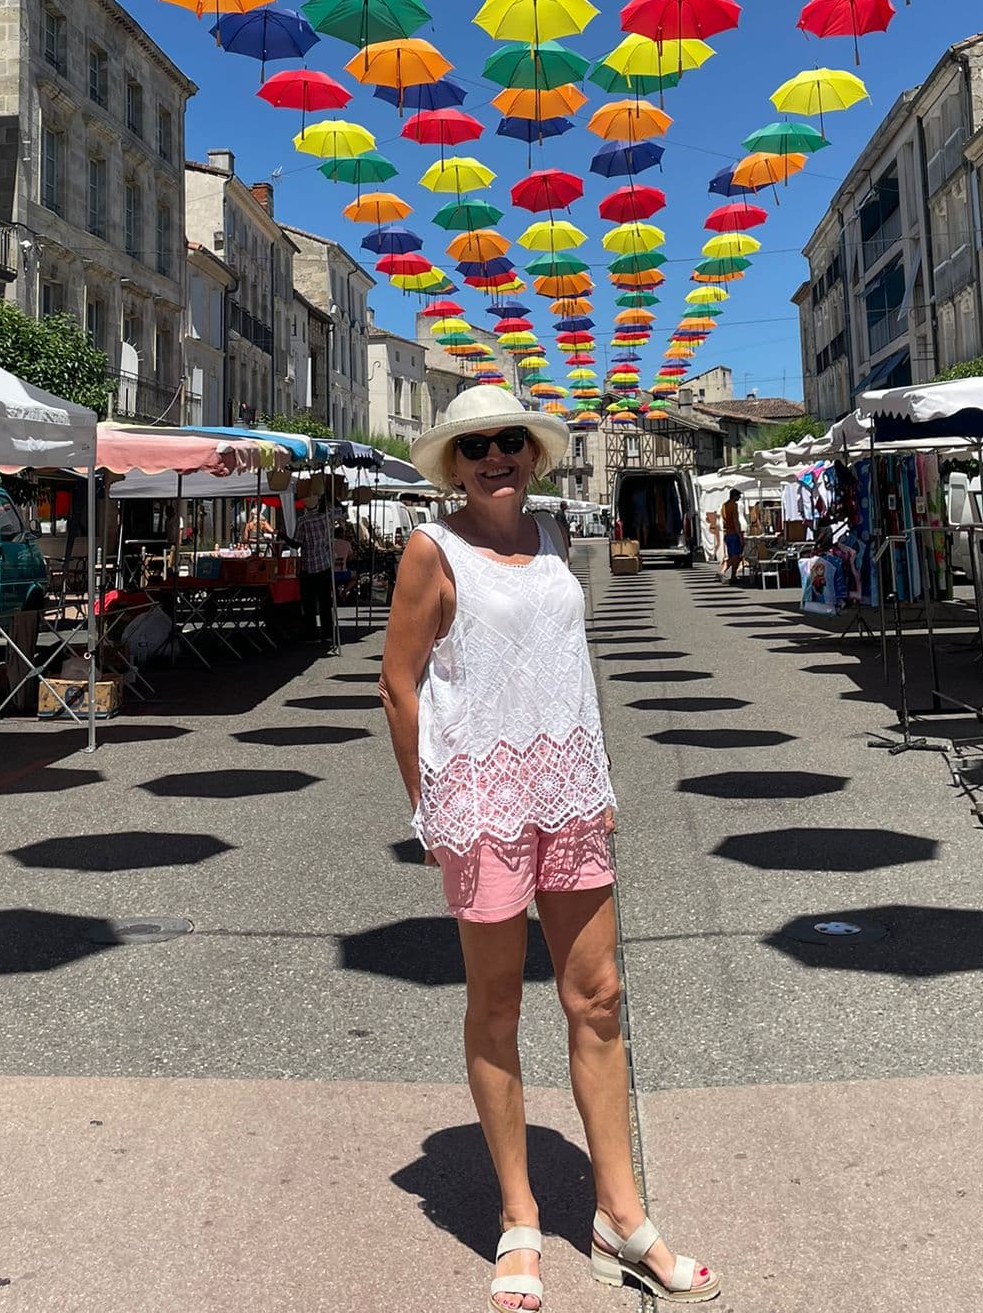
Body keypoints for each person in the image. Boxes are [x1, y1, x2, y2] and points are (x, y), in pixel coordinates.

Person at [379, 388, 720, 1311]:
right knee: (496, 1003)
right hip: (484, 805)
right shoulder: (431, 550)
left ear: (534, 456)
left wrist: (598, 775)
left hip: (569, 793)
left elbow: (568, 668)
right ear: (455, 463)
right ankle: (521, 1216)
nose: (497, 457)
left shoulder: (557, 542)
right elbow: (399, 687)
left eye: (512, 443)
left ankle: (621, 1214)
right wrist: (433, 809)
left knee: (598, 997)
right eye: (478, 446)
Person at [296, 481, 335, 641]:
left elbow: (297, 543)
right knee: (326, 602)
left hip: (309, 566)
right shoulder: (326, 517)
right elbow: (341, 511)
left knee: (309, 604)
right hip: (325, 564)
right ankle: (328, 633)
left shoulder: (303, 521)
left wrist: (282, 535)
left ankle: (312, 634)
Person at [720, 487, 745, 584]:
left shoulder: (724, 505)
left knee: (732, 556)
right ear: (734, 496)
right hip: (734, 533)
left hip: (727, 533)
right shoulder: (734, 506)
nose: (739, 497)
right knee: (736, 556)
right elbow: (736, 521)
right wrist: (740, 535)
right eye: (738, 496)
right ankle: (726, 573)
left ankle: (732, 575)